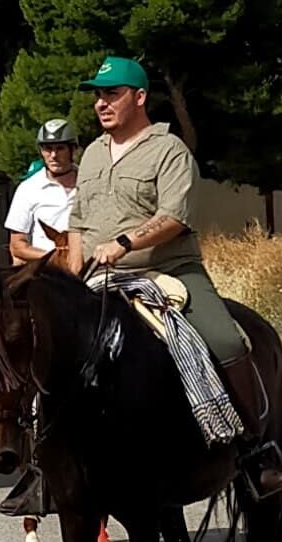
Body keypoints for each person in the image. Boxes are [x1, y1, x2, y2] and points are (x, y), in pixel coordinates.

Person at [65, 56, 269, 433]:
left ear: (139, 97)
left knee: (225, 341)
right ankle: (42, 458)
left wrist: (123, 243)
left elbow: (175, 217)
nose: (101, 103)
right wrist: (74, 266)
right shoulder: (91, 153)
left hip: (168, 271)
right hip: (99, 278)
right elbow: (78, 218)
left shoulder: (169, 150)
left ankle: (258, 451)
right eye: (97, 95)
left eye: (112, 93)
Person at [8, 114, 79, 258]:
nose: (53, 155)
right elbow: (17, 246)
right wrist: (54, 258)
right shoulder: (28, 189)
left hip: (88, 268)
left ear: (72, 150)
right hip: (47, 272)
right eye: (48, 149)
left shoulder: (89, 181)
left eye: (60, 148)